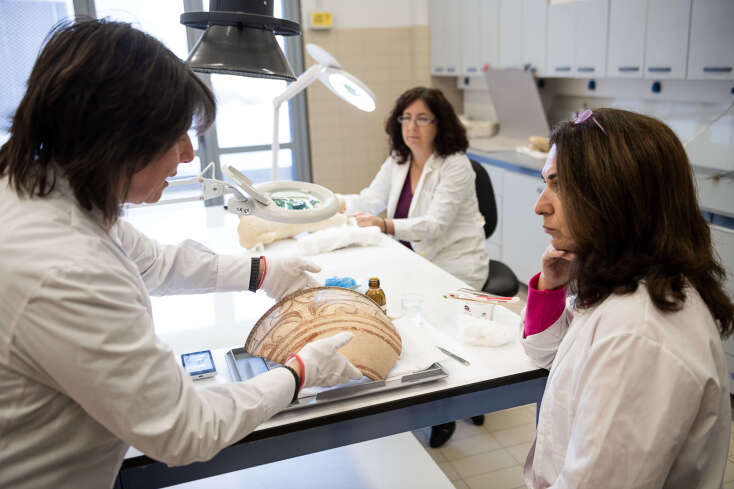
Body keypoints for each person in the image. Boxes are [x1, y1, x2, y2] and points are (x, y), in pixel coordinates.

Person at [0, 19, 362, 489]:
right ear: (118, 140)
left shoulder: (40, 187)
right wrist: (298, 373)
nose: (189, 155)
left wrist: (264, 271)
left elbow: (154, 263)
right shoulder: (66, 266)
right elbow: (186, 429)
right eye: (176, 136)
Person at [522, 108, 733, 487]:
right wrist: (551, 287)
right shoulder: (624, 282)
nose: (540, 205)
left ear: (618, 197)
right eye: (545, 183)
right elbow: (547, 355)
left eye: (560, 185)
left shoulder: (639, 334)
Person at [337, 87, 489, 447]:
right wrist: (328, 202)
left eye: (422, 118)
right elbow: (369, 199)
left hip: (456, 264)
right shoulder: (399, 160)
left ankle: (449, 407)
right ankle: (436, 394)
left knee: (437, 331)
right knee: (408, 324)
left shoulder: (455, 166)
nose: (412, 127)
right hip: (413, 259)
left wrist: (384, 225)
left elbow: (434, 225)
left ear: (440, 124)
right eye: (406, 118)